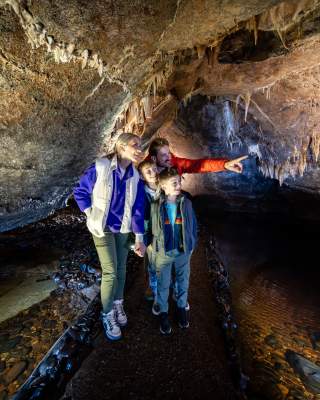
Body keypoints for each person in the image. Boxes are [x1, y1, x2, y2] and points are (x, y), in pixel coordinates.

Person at [73, 133, 146, 341]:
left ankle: (118, 304)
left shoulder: (135, 176)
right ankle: (106, 314)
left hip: (122, 228)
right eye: (135, 145)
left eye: (140, 145)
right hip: (101, 227)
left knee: (121, 268)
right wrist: (90, 214)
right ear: (121, 147)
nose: (139, 148)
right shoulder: (101, 166)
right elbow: (80, 192)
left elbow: (138, 209)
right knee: (111, 271)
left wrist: (139, 238)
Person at [147, 167, 198, 335]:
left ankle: (182, 308)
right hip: (164, 252)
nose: (178, 185)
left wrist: (192, 245)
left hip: (183, 250)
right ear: (164, 187)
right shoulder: (155, 206)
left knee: (183, 280)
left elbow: (193, 226)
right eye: (173, 183)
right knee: (163, 284)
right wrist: (150, 249)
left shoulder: (187, 203)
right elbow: (150, 229)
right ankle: (163, 313)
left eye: (179, 181)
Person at [147, 137, 247, 175]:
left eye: (168, 152)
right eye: (163, 155)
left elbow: (199, 165)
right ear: (154, 158)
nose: (168, 157)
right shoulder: (145, 172)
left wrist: (224, 164)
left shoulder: (175, 163)